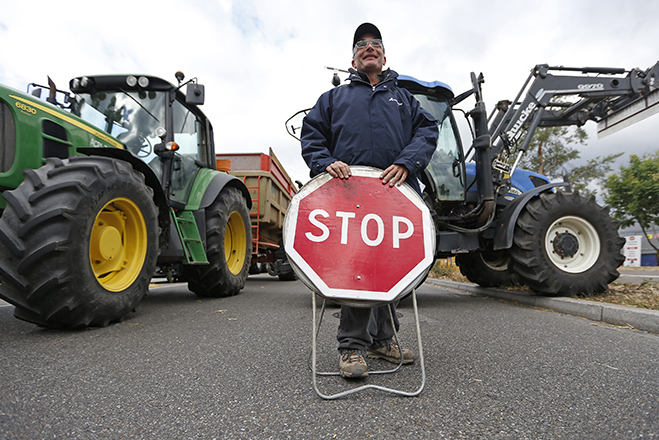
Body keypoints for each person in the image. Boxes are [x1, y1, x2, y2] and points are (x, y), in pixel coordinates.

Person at [300, 23, 439, 378]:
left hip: (396, 198)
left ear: (384, 55)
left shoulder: (404, 99)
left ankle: (381, 340)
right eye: (361, 44)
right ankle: (351, 348)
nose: (369, 47)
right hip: (350, 200)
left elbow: (427, 130)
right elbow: (312, 135)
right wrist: (325, 162)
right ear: (353, 58)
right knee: (356, 270)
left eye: (375, 43)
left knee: (391, 268)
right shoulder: (334, 99)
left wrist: (408, 163)